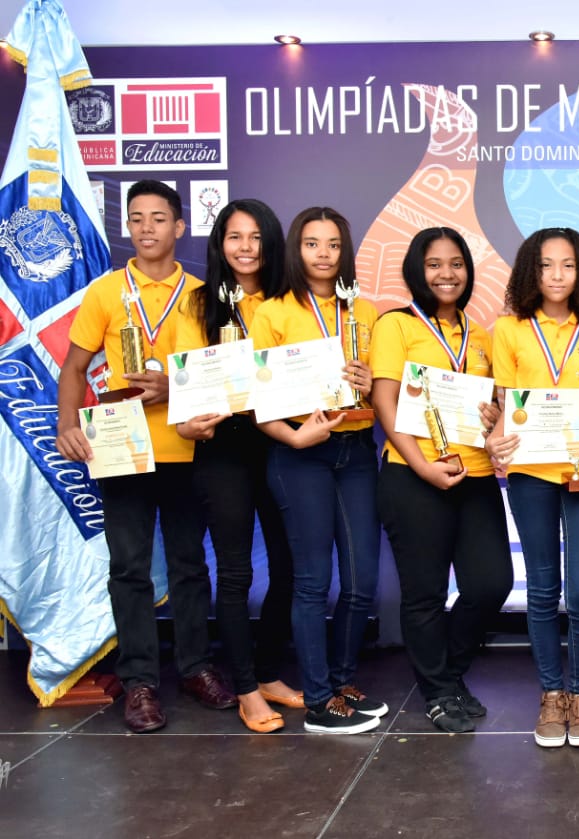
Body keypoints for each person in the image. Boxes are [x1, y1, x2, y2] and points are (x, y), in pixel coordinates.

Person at [55, 179, 233, 733]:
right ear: (127, 227)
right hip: (121, 447)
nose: (147, 228)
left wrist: (170, 393)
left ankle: (195, 667)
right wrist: (66, 423)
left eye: (159, 218)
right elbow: (74, 368)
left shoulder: (205, 296)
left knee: (187, 566)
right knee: (129, 569)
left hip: (186, 448)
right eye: (137, 219)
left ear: (180, 227)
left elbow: (222, 382)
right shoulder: (107, 292)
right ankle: (139, 681)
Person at [485, 227, 579, 749]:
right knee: (543, 589)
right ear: (531, 271)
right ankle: (551, 693)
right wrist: (497, 440)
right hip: (530, 472)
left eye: (568, 265)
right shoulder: (510, 330)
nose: (557, 275)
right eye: (546, 266)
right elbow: (505, 399)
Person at [370, 227, 514, 733]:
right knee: (425, 593)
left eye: (456, 264)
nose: (447, 274)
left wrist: (495, 414)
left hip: (473, 475)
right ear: (417, 269)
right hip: (413, 474)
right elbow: (384, 402)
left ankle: (446, 674)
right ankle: (437, 690)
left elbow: (491, 408)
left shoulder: (479, 335)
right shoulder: (395, 325)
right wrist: (421, 464)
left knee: (493, 581)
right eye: (435, 264)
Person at [249, 207, 386, 735]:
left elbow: (376, 392)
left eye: (332, 244)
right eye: (312, 243)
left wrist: (370, 379)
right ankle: (319, 702)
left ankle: (342, 682)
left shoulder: (364, 311)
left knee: (361, 581)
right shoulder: (273, 313)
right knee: (313, 582)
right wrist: (295, 435)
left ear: (344, 252)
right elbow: (259, 403)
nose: (323, 254)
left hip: (354, 451)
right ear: (296, 250)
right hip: (299, 453)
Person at [174, 199, 302, 733]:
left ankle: (269, 670)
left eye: (256, 237)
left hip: (280, 444)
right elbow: (185, 386)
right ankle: (246, 687)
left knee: (291, 565)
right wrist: (189, 422)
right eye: (234, 237)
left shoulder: (289, 303)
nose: (246, 248)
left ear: (271, 245)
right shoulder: (198, 305)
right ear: (219, 244)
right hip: (223, 448)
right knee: (236, 571)